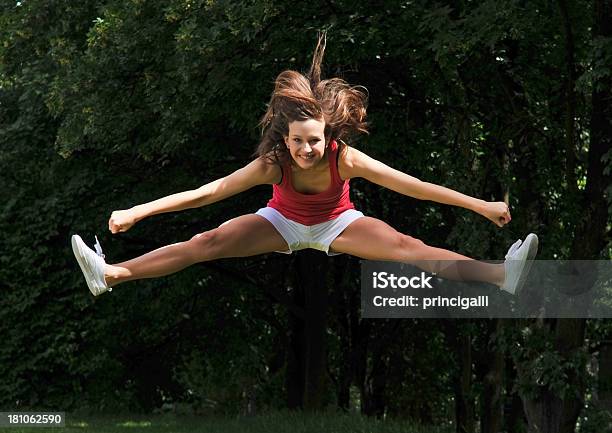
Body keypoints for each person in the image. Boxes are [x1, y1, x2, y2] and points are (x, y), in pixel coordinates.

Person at [71, 33, 538, 298]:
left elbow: (414, 185)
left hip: (338, 223)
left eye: (313, 142)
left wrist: (480, 205)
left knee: (407, 246)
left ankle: (502, 275)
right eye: (298, 142)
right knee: (206, 241)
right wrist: (138, 212)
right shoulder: (274, 163)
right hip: (282, 222)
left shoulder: (345, 158)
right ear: (285, 137)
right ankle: (110, 274)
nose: (306, 151)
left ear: (328, 136)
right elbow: (208, 192)